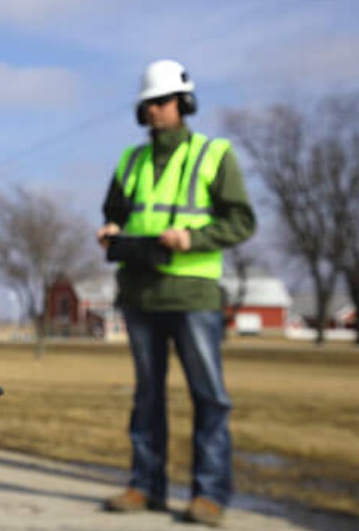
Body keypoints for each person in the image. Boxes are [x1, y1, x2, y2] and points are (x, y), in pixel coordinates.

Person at [97, 59, 255, 526]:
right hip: (141, 294)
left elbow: (241, 220)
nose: (155, 111)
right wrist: (110, 230)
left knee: (209, 397)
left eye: (162, 102)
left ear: (183, 102)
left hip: (193, 296)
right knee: (147, 396)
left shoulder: (213, 154)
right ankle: (145, 486)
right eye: (148, 104)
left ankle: (209, 494)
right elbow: (115, 214)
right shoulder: (131, 161)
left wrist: (192, 238)